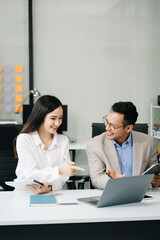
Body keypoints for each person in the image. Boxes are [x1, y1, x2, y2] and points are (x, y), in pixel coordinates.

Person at [13, 95, 84, 194]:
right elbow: (30, 174)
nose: (58, 123)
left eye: (60, 118)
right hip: (25, 193)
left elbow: (64, 176)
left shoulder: (63, 140)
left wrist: (50, 187)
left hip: (51, 193)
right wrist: (59, 170)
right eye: (53, 118)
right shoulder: (24, 139)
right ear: (41, 117)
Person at [86, 101, 160, 189]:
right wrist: (115, 182)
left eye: (113, 126)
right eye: (106, 121)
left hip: (141, 195)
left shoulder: (148, 141)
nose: (107, 128)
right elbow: (97, 178)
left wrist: (155, 180)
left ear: (128, 128)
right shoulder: (94, 144)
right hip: (113, 194)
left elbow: (153, 171)